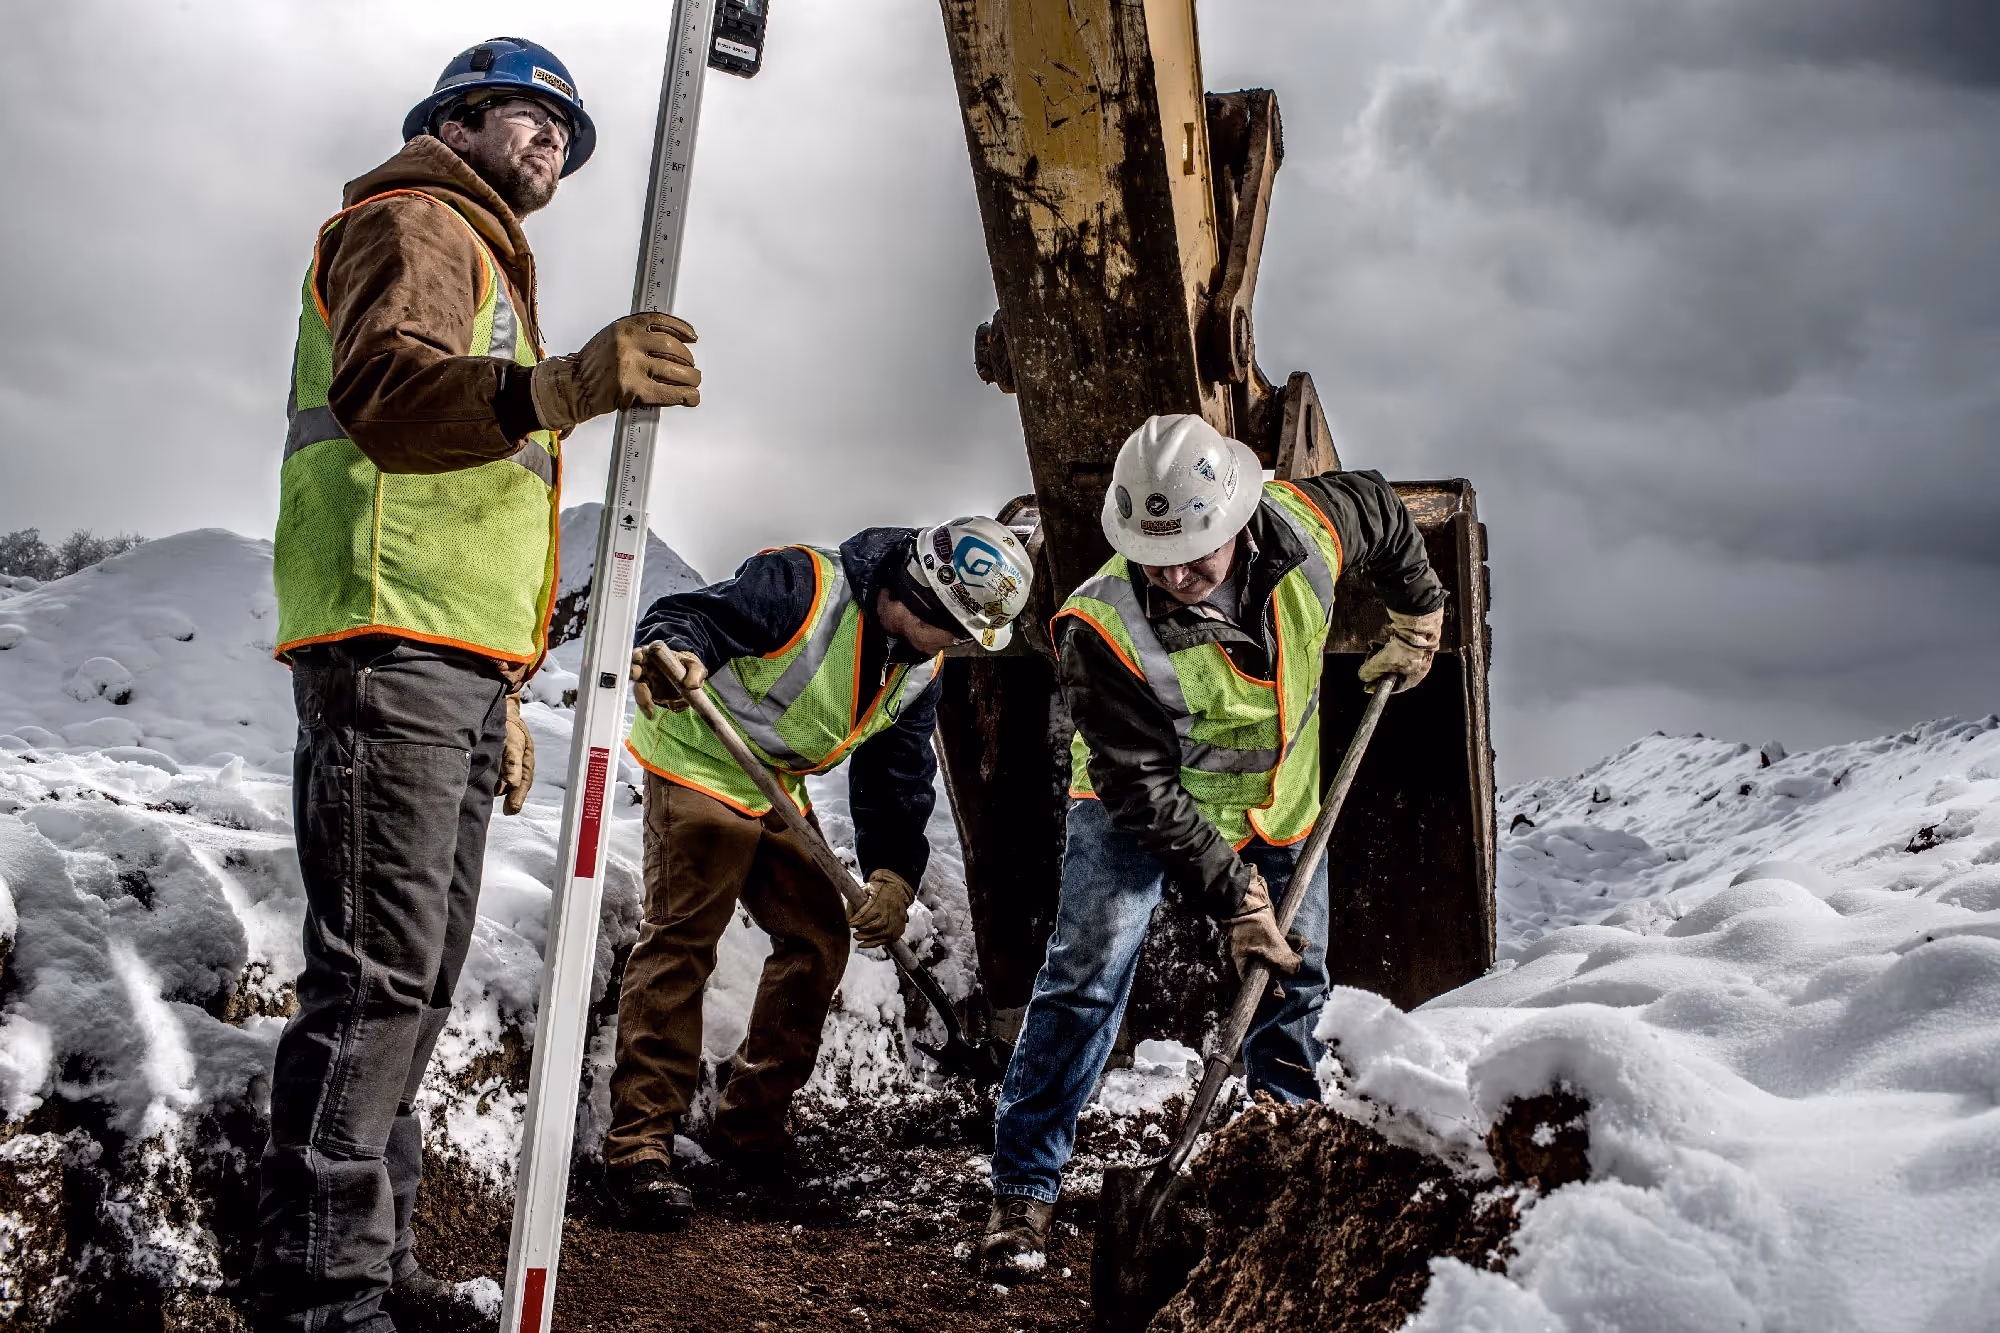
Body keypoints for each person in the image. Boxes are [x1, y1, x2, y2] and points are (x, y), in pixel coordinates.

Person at [256, 37, 703, 1331]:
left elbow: (466, 495)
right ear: (458, 119)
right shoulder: (416, 217)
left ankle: (371, 1266)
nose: (555, 138)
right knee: (376, 981)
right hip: (387, 652)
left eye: (569, 127)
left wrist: (503, 683)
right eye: (532, 115)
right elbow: (390, 397)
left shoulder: (484, 258)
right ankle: (322, 1292)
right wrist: (561, 389)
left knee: (416, 979)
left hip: (444, 662)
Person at [980, 414, 1449, 1272]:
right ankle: (1023, 1193)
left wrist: (1419, 612)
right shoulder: (1100, 624)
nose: (1178, 573)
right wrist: (1234, 896)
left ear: (1239, 516)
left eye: (1197, 548)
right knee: (1085, 980)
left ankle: (1283, 1168)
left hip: (1279, 804)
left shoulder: (1306, 529)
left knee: (1291, 984)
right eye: (1157, 554)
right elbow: (1141, 786)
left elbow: (1381, 507)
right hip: (1137, 810)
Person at [604, 517, 1033, 1226]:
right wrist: (676, 654)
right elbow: (688, 618)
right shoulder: (803, 585)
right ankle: (638, 1147)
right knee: (683, 937)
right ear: (920, 596)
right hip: (699, 757)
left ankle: (750, 1126)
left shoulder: (920, 665)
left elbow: (896, 775)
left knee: (818, 938)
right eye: (955, 632)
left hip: (773, 782)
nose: (956, 648)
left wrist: (895, 871)